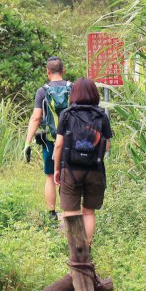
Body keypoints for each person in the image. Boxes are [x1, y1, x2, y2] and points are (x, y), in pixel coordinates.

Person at [53, 77, 112, 244]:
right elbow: (106, 146)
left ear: (74, 94)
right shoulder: (101, 115)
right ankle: (87, 248)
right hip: (94, 168)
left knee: (71, 211)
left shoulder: (66, 114)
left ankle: (78, 255)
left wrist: (57, 169)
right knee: (88, 212)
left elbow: (59, 145)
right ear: (95, 94)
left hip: (70, 168)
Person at [24, 57, 71, 223]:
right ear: (63, 71)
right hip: (70, 140)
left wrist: (27, 143)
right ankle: (69, 211)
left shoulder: (42, 91)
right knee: (68, 175)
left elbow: (36, 118)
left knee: (50, 176)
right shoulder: (72, 88)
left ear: (47, 72)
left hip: (50, 140)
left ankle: (52, 214)